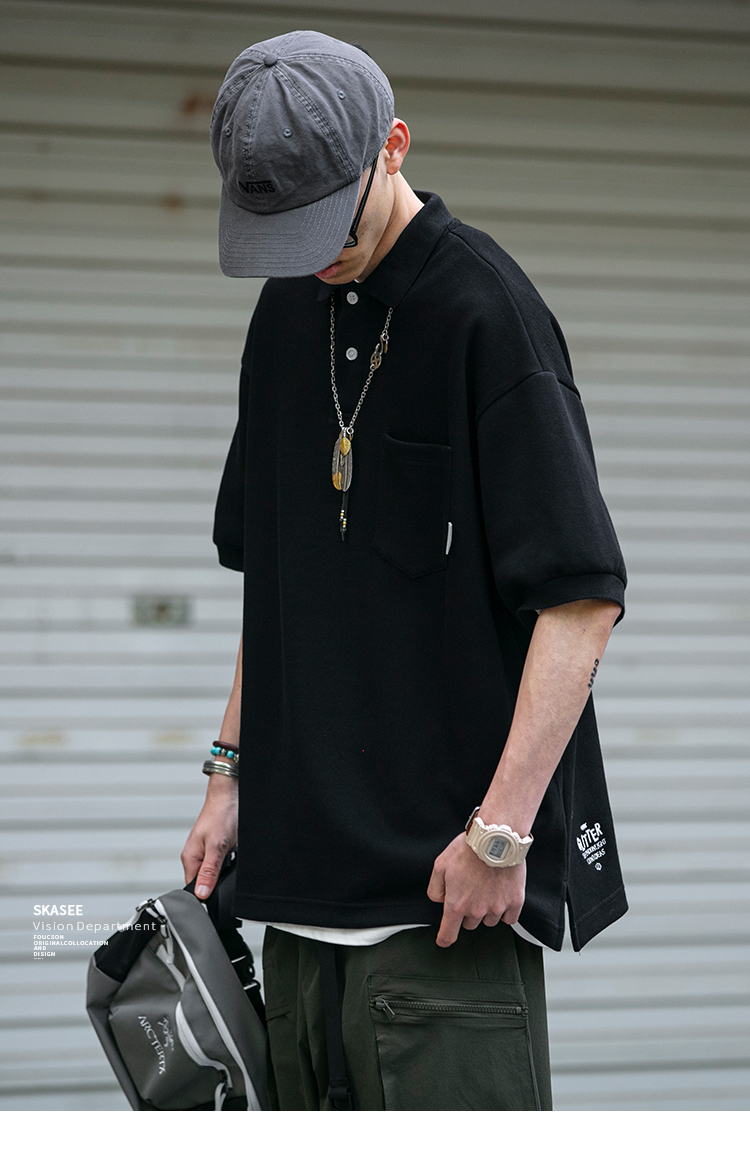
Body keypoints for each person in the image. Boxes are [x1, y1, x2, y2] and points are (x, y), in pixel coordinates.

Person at [181, 30, 627, 1111]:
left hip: (443, 916)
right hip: (290, 911)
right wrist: (228, 775)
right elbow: (272, 583)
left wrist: (500, 835)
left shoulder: (488, 312)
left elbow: (580, 601)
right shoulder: (283, 313)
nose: (309, 256)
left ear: (394, 147)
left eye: (325, 222)